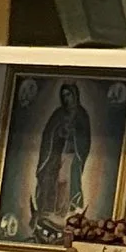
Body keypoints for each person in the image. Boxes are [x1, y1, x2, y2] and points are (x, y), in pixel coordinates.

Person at [29, 80, 92, 239]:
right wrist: (59, 132)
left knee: (67, 181)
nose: (66, 98)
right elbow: (48, 134)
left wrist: (74, 133)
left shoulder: (81, 114)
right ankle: (54, 210)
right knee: (56, 180)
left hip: (72, 154)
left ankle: (66, 212)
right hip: (58, 154)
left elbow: (85, 138)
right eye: (64, 95)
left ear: (75, 95)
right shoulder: (58, 114)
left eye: (69, 95)